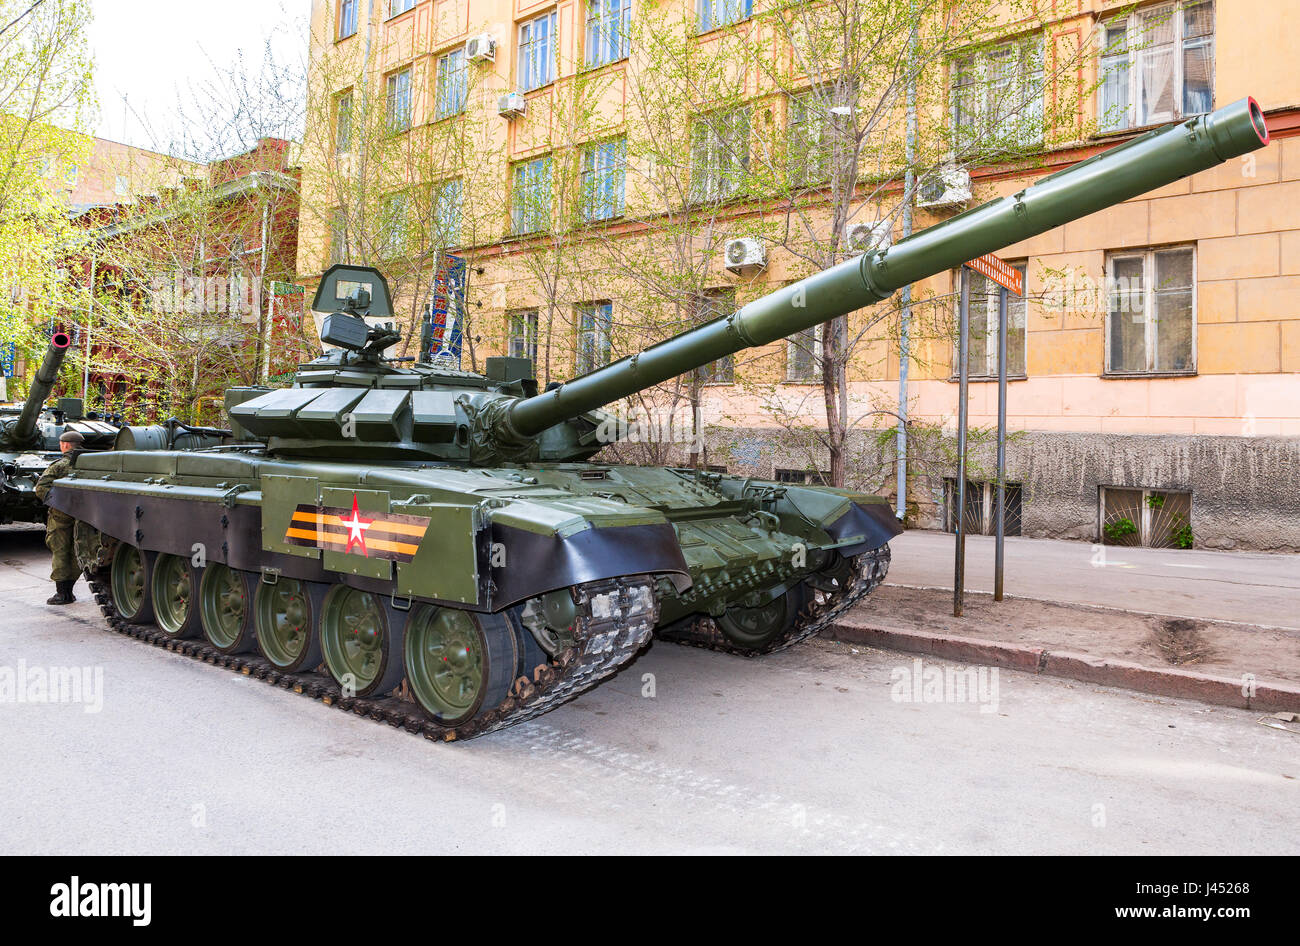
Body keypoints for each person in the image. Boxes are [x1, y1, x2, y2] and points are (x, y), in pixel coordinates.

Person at [34, 430, 84, 605]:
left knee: (60, 549)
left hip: (62, 514)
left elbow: (41, 488)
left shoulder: (59, 465)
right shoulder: (89, 463)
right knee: (77, 550)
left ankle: (62, 593)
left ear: (65, 445)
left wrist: (57, 504)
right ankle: (70, 590)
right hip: (86, 513)